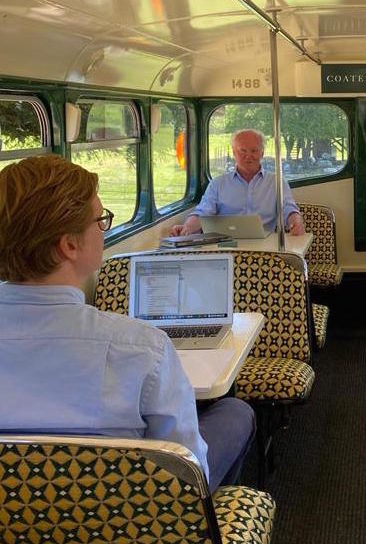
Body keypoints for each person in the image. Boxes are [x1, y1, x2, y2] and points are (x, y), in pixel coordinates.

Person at [0, 155, 254, 492]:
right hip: (122, 518)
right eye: (100, 220)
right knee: (235, 412)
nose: (104, 229)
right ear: (70, 245)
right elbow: (189, 474)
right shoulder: (144, 349)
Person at [171, 129, 305, 236]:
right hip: (225, 247)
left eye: (254, 150)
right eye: (243, 151)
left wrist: (296, 222)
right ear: (234, 153)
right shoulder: (217, 184)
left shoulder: (277, 183)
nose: (248, 156)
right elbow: (203, 212)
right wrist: (187, 227)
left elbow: (289, 209)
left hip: (265, 248)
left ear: (262, 153)